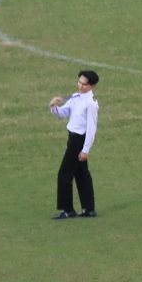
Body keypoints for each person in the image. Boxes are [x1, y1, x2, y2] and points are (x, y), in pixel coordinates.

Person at [48, 69, 100, 219]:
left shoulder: (91, 104)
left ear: (92, 86)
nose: (80, 86)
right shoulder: (76, 97)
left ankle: (68, 210)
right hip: (72, 138)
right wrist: (54, 106)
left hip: (79, 141)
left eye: (84, 84)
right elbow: (63, 113)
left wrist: (85, 150)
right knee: (82, 174)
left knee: (64, 174)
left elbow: (91, 129)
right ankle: (89, 209)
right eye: (79, 82)